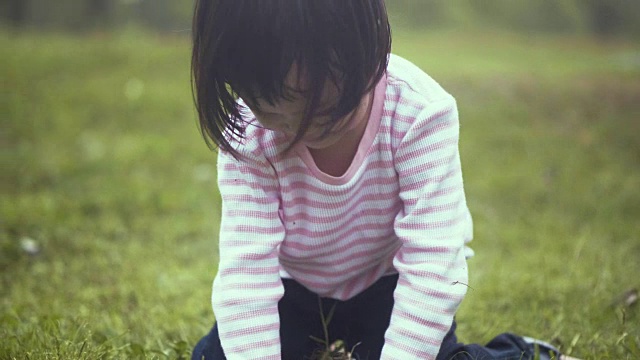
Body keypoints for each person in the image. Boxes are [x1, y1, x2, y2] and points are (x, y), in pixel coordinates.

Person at [190, 1, 579, 359]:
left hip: (388, 287)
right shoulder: (249, 134)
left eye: (321, 112)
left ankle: (521, 352)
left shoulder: (419, 113)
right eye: (269, 109)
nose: (295, 131)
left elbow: (433, 262)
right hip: (294, 291)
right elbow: (246, 273)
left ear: (365, 52)